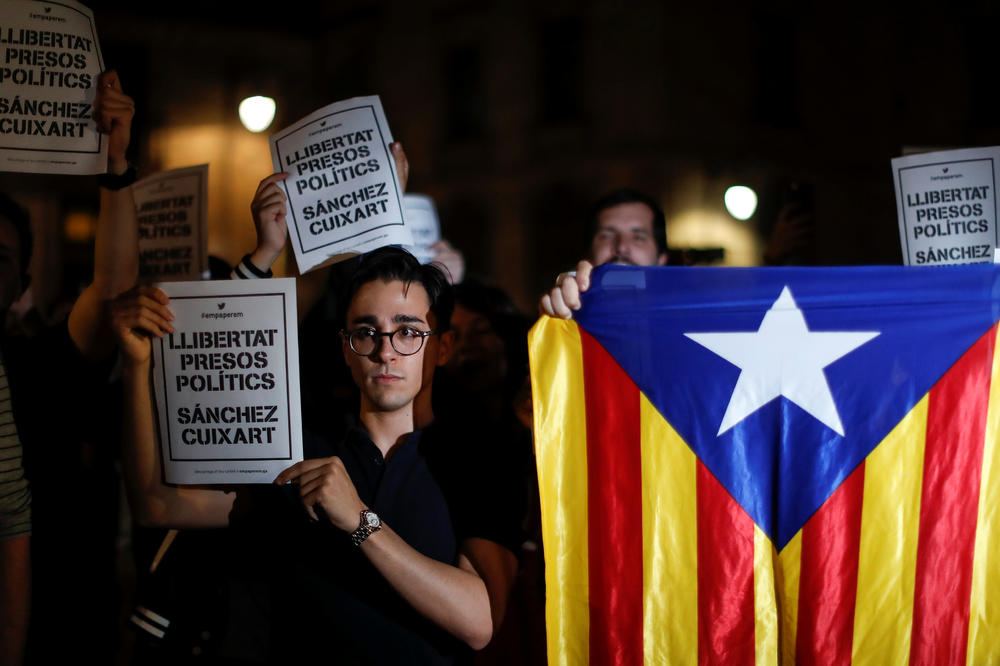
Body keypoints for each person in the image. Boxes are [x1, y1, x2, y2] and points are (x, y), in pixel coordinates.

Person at [113, 245, 520, 664]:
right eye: (366, 332)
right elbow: (158, 506)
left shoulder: (478, 459)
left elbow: (479, 622)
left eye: (408, 331)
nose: (385, 352)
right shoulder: (295, 450)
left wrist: (360, 521)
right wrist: (136, 366)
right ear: (345, 348)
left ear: (443, 346)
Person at [539, 187, 668, 318]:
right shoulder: (572, 316)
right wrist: (560, 321)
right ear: (588, 256)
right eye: (607, 236)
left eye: (638, 237)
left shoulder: (685, 319)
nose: (621, 247)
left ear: (661, 258)